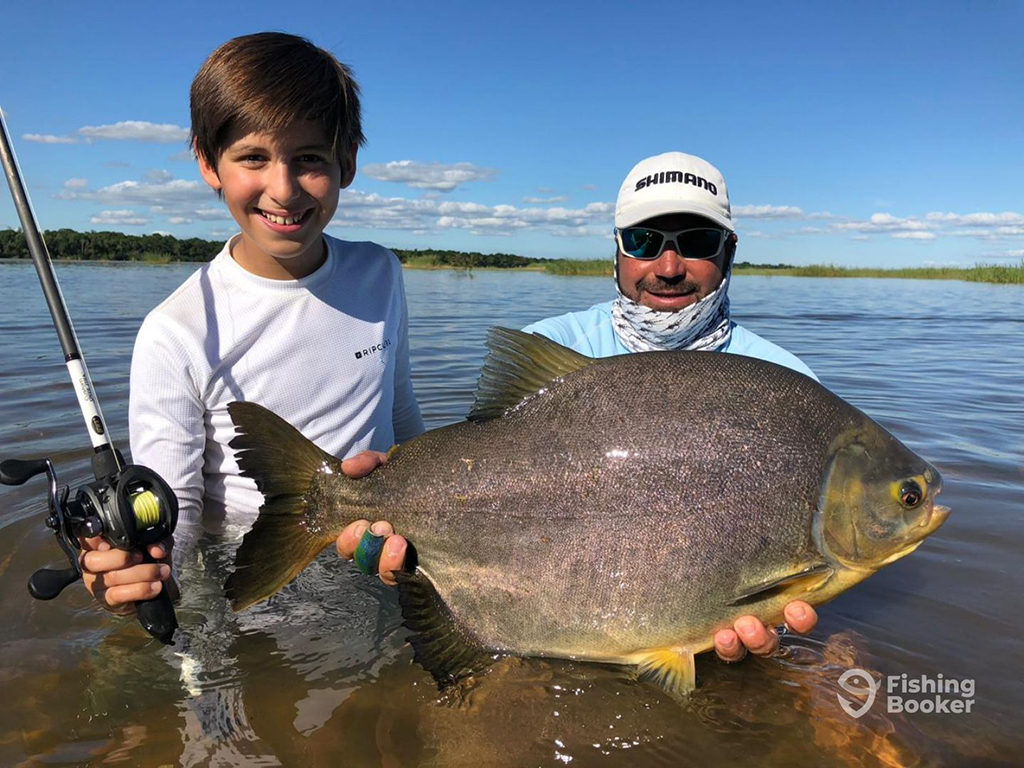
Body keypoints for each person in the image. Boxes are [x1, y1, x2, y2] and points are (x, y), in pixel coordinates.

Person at [365, 152, 822, 664]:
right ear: (618, 250)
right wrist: (376, 538)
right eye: (645, 242)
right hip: (538, 633)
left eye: (696, 242)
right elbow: (468, 478)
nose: (668, 268)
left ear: (729, 250)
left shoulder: (788, 389)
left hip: (713, 642)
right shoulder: (554, 345)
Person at [78, 32, 421, 613]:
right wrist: (135, 569)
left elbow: (401, 412)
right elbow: (173, 513)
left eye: (310, 157)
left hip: (373, 565)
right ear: (209, 163)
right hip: (250, 587)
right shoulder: (176, 331)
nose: (283, 189)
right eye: (253, 158)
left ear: (348, 162)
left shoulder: (380, 272)